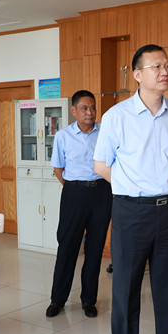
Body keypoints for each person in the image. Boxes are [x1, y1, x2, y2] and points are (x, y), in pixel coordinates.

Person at [94, 44, 168, 334]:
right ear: (137, 74)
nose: (164, 72)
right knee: (125, 289)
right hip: (131, 211)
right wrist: (132, 185)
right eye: (156, 66)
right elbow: (101, 166)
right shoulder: (117, 116)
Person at [46, 90, 112, 319]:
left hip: (102, 192)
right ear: (74, 110)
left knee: (95, 249)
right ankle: (57, 300)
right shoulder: (63, 136)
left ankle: (89, 300)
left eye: (93, 107)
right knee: (67, 247)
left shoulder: (105, 132)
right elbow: (58, 169)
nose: (90, 112)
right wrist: (74, 188)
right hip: (74, 193)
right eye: (84, 108)